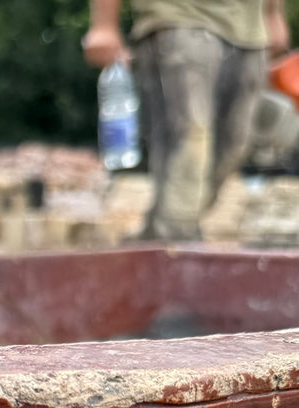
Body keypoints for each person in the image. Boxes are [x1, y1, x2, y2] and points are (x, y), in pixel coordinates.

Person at [84, 0, 291, 239]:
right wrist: (104, 25)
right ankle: (175, 236)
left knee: (236, 143)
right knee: (191, 136)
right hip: (177, 17)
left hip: (250, 28)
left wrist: (273, 12)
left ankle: (165, 230)